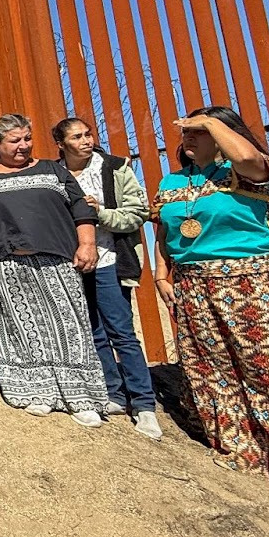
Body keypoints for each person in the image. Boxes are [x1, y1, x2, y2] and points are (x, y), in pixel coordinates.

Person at [153, 106, 269, 488]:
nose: (190, 136)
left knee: (267, 367)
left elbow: (247, 156)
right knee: (212, 369)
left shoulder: (247, 170)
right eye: (187, 130)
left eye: (199, 131)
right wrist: (161, 272)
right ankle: (241, 449)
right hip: (193, 282)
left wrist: (212, 122)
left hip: (249, 280)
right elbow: (165, 229)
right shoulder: (172, 181)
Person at [0, 113, 108, 425]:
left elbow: (81, 210)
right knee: (21, 329)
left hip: (56, 261)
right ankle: (36, 391)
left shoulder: (53, 171)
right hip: (3, 266)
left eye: (27, 138)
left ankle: (80, 396)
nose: (23, 146)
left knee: (69, 325)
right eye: (15, 141)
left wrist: (87, 244)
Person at [54, 117, 161, 441]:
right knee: (92, 330)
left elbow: (137, 212)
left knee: (122, 331)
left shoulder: (114, 168)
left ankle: (144, 404)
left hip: (111, 259)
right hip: (73, 262)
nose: (86, 140)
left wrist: (99, 213)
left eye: (88, 134)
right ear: (62, 144)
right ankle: (113, 394)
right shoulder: (55, 173)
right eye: (77, 136)